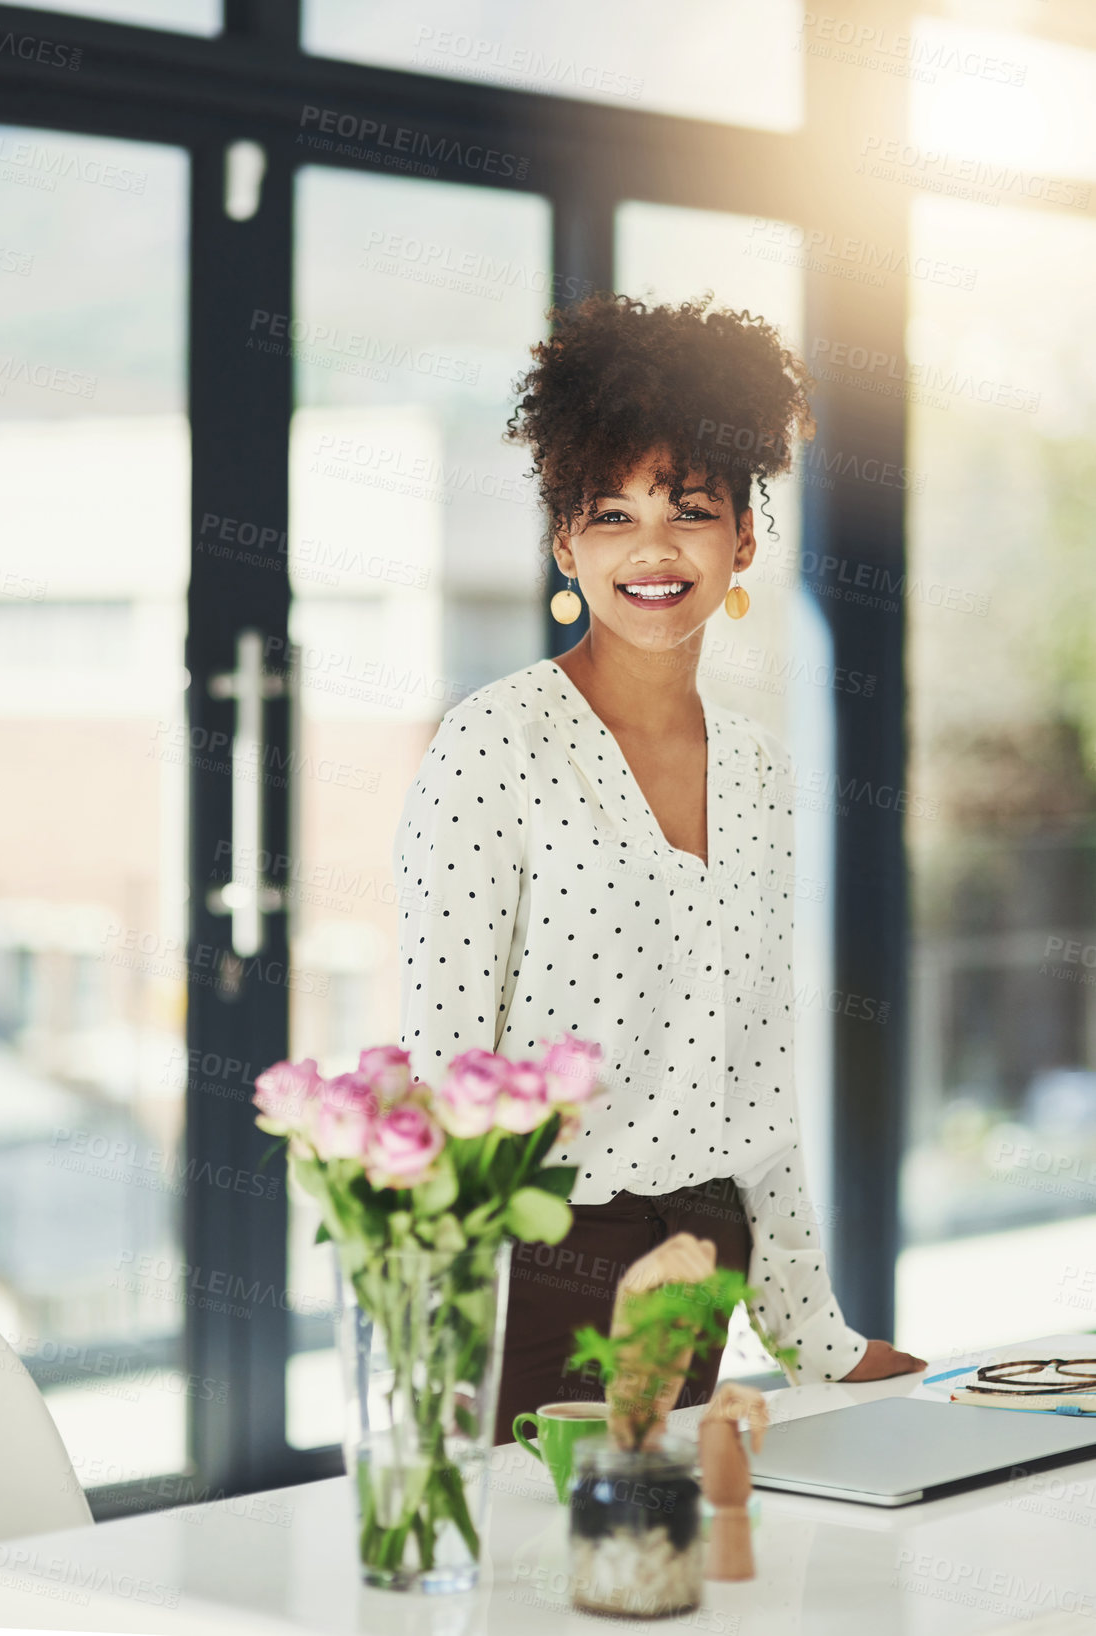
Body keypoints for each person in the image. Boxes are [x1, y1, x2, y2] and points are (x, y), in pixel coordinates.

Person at [395, 293, 926, 1445]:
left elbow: (759, 1074)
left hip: (701, 1262)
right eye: (611, 513)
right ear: (562, 543)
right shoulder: (493, 745)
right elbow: (447, 1064)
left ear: (742, 538)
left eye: (688, 511)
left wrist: (813, 1336)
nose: (651, 548)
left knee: (661, 1596)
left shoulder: (758, 771)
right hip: (529, 1267)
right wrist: (439, 1336)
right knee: (529, 1606)